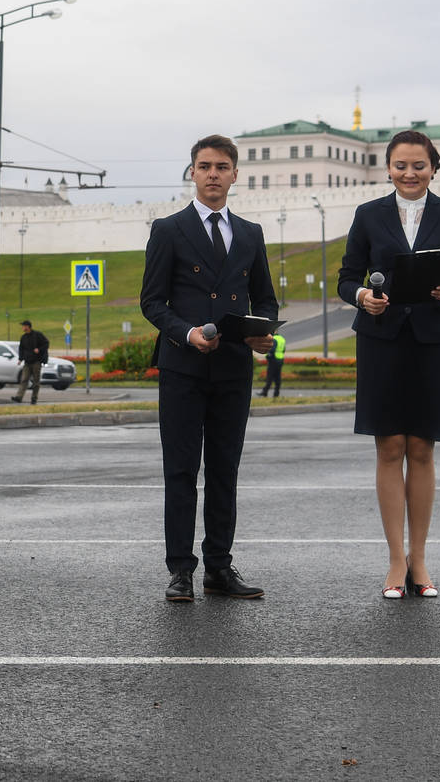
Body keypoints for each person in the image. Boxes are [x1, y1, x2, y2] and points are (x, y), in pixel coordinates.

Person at [338, 129, 440, 600]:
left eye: (419, 165)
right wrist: (363, 296)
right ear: (388, 168)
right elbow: (346, 278)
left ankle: (420, 559)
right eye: (400, 165)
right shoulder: (368, 215)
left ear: (433, 168)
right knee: (389, 448)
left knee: (421, 447)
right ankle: (395, 560)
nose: (409, 173)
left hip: (431, 341)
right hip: (381, 340)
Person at [140, 134, 278, 603]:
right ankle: (180, 569)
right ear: (192, 173)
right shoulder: (169, 229)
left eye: (221, 167)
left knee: (224, 470)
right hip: (183, 367)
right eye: (204, 166)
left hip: (233, 368)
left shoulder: (251, 233)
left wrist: (263, 334)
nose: (213, 174)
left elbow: (265, 300)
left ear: (235, 174)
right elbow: (152, 302)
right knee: (181, 471)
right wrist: (186, 333)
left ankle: (219, 566)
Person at [12, 320, 48, 405]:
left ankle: (34, 398)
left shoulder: (37, 335)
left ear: (28, 327)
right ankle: (19, 397)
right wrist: (20, 359)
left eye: (24, 326)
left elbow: (46, 343)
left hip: (36, 362)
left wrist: (39, 349)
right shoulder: (23, 337)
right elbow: (21, 349)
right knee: (24, 380)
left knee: (36, 381)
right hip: (27, 362)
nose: (22, 328)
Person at [258, 332, 286, 398]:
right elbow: (284, 349)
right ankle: (276, 393)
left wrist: (268, 357)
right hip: (280, 359)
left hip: (273, 360)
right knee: (278, 377)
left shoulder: (274, 339)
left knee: (270, 377)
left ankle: (265, 392)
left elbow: (272, 350)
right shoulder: (282, 339)